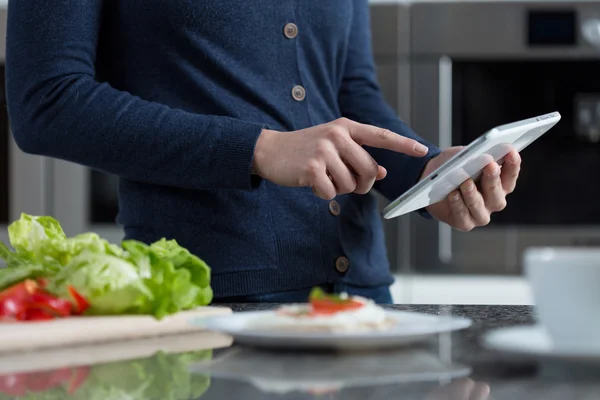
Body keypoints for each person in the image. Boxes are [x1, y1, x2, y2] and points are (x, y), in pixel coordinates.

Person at [4, 1, 521, 304]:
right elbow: (47, 100)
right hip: (208, 302)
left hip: (362, 301)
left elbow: (348, 90)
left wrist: (430, 173)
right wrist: (258, 148)